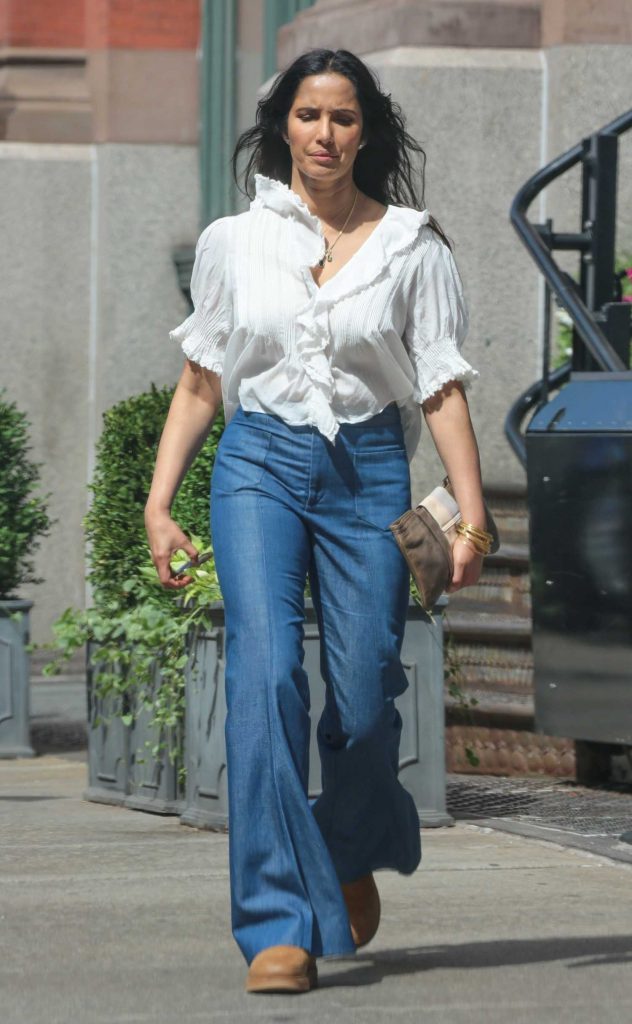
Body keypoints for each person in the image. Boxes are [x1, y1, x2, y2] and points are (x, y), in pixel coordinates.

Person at [145, 48, 487, 995]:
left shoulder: (412, 246)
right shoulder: (233, 240)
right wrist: (160, 501)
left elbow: (441, 387)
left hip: (370, 468)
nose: (323, 134)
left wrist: (471, 518)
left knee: (369, 688)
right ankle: (277, 925)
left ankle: (350, 843)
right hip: (258, 464)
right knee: (262, 677)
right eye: (307, 116)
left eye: (341, 117)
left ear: (364, 129)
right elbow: (203, 379)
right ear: (282, 126)